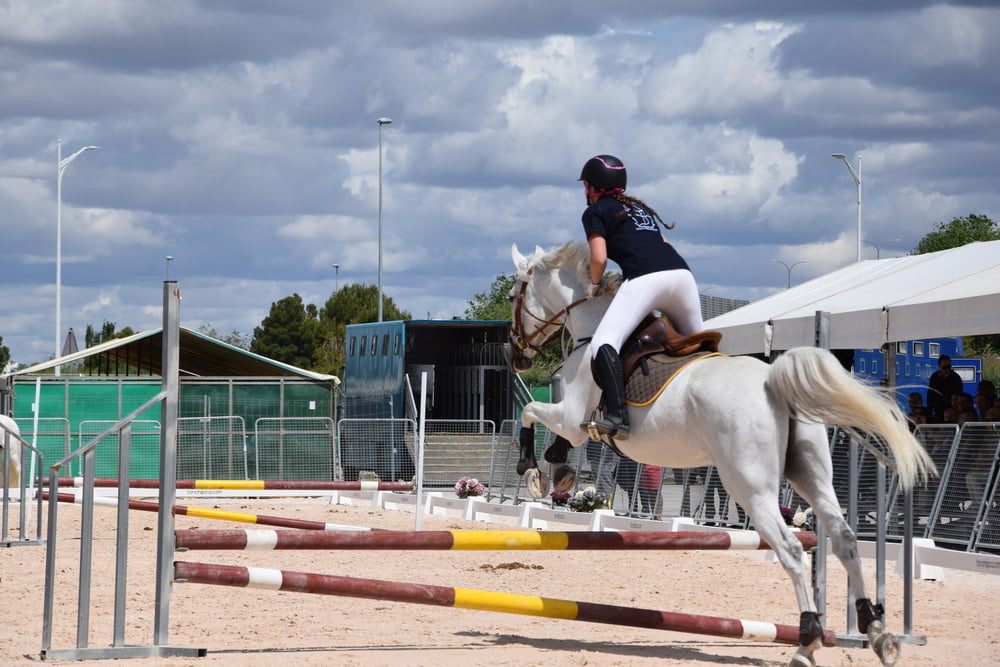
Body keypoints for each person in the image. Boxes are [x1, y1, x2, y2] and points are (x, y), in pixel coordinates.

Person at [578, 155, 704, 440]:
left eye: (585, 185)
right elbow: (664, 243)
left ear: (592, 186)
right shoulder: (637, 209)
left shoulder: (595, 212)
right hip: (682, 275)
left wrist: (593, 283)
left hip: (647, 278)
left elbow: (598, 258)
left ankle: (617, 417)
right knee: (699, 342)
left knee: (603, 342)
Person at [927, 355, 963, 422]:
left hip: (950, 409)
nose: (947, 369)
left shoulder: (955, 378)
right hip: (937, 408)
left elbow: (958, 395)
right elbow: (930, 393)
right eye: (944, 367)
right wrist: (929, 408)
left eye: (949, 367)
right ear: (939, 366)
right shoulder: (934, 376)